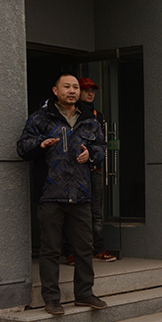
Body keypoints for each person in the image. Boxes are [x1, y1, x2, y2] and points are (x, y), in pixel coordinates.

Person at [17, 72, 107, 315]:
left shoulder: (89, 120)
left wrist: (92, 155)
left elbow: (101, 148)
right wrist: (40, 144)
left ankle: (84, 294)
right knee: (50, 250)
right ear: (55, 90)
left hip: (80, 194)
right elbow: (22, 146)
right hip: (50, 194)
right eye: (67, 86)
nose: (72, 91)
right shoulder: (41, 118)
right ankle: (51, 299)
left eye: (75, 87)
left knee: (84, 248)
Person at [64, 78, 117, 264]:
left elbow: (101, 145)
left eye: (92, 90)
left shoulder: (97, 116)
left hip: (94, 169)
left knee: (96, 211)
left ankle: (98, 248)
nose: (90, 93)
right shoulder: (72, 114)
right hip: (75, 171)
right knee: (73, 210)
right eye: (86, 90)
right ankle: (71, 251)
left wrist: (94, 156)